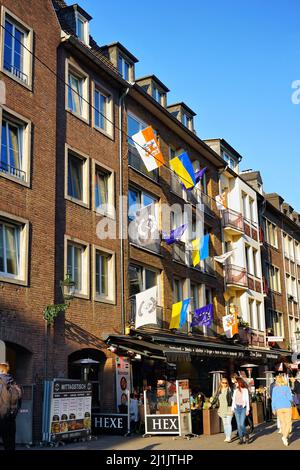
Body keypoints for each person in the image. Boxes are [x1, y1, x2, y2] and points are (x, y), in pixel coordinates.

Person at [0, 362, 22, 451]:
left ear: (1, 370)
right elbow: (19, 403)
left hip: (1, 418)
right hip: (11, 420)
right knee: (10, 444)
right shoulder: (14, 384)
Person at [272, 374, 293, 447]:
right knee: (288, 423)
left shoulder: (274, 389)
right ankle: (284, 437)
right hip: (287, 406)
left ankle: (285, 437)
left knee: (283, 423)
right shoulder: (287, 388)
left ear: (277, 381)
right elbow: (290, 398)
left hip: (278, 408)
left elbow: (273, 400)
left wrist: (273, 408)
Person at [211, 378, 233, 443]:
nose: (224, 384)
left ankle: (229, 437)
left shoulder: (229, 390)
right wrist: (211, 403)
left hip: (229, 408)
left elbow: (232, 399)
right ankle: (226, 436)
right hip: (222, 409)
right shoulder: (219, 390)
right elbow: (215, 398)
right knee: (224, 424)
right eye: (223, 383)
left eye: (226, 383)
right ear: (221, 383)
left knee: (228, 423)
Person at [231, 377, 250, 444]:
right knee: (238, 425)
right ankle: (241, 439)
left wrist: (248, 410)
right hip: (236, 408)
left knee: (242, 424)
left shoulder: (245, 390)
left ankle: (246, 434)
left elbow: (247, 400)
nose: (235, 384)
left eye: (236, 382)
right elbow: (233, 401)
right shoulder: (235, 390)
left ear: (239, 383)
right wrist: (232, 409)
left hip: (243, 408)